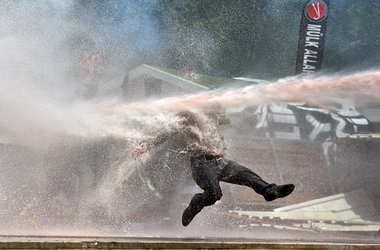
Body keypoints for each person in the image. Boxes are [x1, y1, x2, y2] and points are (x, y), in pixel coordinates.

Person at [131, 109, 295, 226]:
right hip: (201, 163)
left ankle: (269, 191)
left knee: (248, 176)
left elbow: (226, 127)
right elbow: (166, 132)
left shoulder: (213, 121)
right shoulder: (188, 117)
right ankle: (196, 203)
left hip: (221, 162)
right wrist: (145, 146)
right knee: (215, 194)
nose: (217, 111)